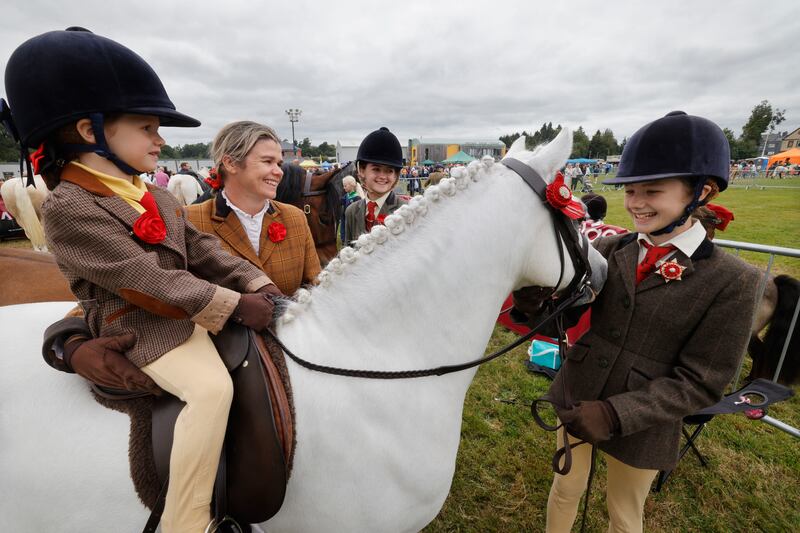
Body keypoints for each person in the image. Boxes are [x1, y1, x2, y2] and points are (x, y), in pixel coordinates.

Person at [4, 28, 282, 532]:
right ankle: (187, 519)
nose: (161, 140)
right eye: (148, 128)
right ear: (92, 132)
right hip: (138, 326)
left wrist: (257, 283)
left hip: (185, 313)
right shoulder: (70, 207)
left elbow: (203, 249)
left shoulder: (152, 193)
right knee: (210, 391)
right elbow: (142, 277)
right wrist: (232, 305)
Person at [515, 111, 762, 533]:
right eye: (630, 190)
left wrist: (615, 415)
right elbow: (572, 313)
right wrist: (536, 302)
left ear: (701, 191)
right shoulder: (612, 250)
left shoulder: (736, 281)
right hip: (580, 391)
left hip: (647, 418)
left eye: (652, 191)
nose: (635, 203)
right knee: (564, 489)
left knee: (624, 513)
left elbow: (703, 380)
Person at [186, 120, 321, 296]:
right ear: (231, 163)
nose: (279, 171)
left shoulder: (295, 217)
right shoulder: (190, 220)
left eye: (279, 164)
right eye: (267, 161)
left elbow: (315, 286)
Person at [343, 127, 408, 244]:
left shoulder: (406, 210)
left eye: (389, 171)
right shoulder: (351, 211)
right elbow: (348, 252)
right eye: (376, 169)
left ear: (396, 175)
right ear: (362, 170)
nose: (382, 176)